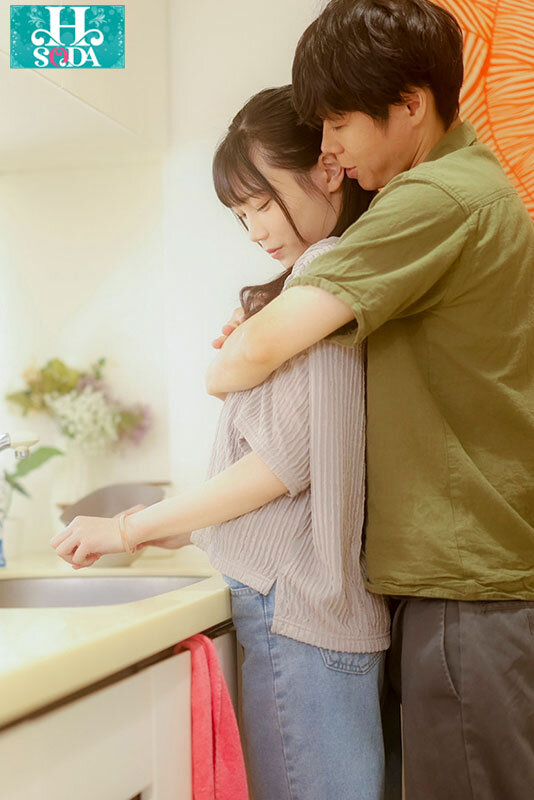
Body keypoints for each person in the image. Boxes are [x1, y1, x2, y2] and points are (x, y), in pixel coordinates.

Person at [204, 2, 534, 799]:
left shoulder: (435, 199)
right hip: (464, 580)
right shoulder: (465, 189)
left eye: (339, 123)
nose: (328, 150)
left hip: (463, 584)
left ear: (411, 104)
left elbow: (246, 358)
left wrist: (244, 347)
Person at [50, 85, 399, 800]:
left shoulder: (325, 273)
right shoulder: (337, 277)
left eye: (263, 203)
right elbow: (304, 465)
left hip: (295, 613)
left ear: (327, 168)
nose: (255, 230)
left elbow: (281, 464)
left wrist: (127, 529)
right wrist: (174, 528)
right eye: (241, 216)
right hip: (321, 612)